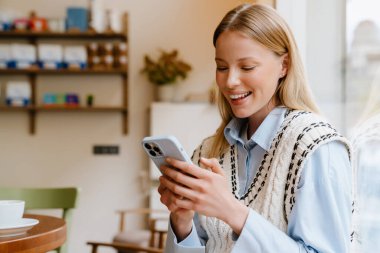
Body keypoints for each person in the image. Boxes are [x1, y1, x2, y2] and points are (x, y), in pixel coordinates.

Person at [158, 3, 353, 253]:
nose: (230, 81)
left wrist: (232, 211)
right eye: (222, 67)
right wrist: (181, 221)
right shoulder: (208, 151)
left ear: (284, 65)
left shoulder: (316, 147)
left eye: (247, 67)